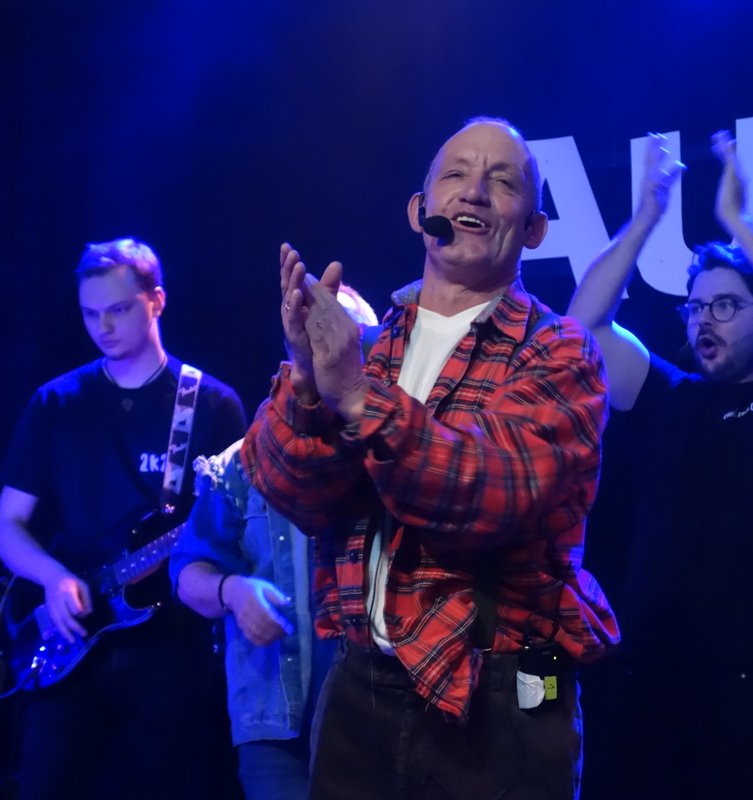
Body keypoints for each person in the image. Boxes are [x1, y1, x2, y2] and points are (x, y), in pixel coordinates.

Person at [244, 117, 619, 800]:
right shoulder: (370, 347)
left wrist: (358, 398)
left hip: (503, 693)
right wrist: (306, 379)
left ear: (534, 230)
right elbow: (290, 492)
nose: (473, 192)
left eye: (502, 182)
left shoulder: (561, 352)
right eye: (456, 175)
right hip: (360, 687)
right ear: (421, 212)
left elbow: (488, 493)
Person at [566, 131, 753, 798]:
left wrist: (739, 223)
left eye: (726, 306)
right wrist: (645, 217)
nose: (703, 321)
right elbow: (582, 328)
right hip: (655, 674)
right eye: (695, 307)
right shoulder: (668, 395)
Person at [0, 238, 246, 799]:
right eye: (90, 314)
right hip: (69, 642)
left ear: (157, 301)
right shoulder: (56, 402)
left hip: (168, 653)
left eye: (118, 309)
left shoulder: (211, 404)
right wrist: (54, 578)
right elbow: (5, 528)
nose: (102, 326)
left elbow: (235, 525)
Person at [171, 286, 378, 800]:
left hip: (378, 722)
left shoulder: (397, 449)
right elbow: (187, 569)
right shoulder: (242, 462)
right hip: (277, 729)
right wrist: (234, 591)